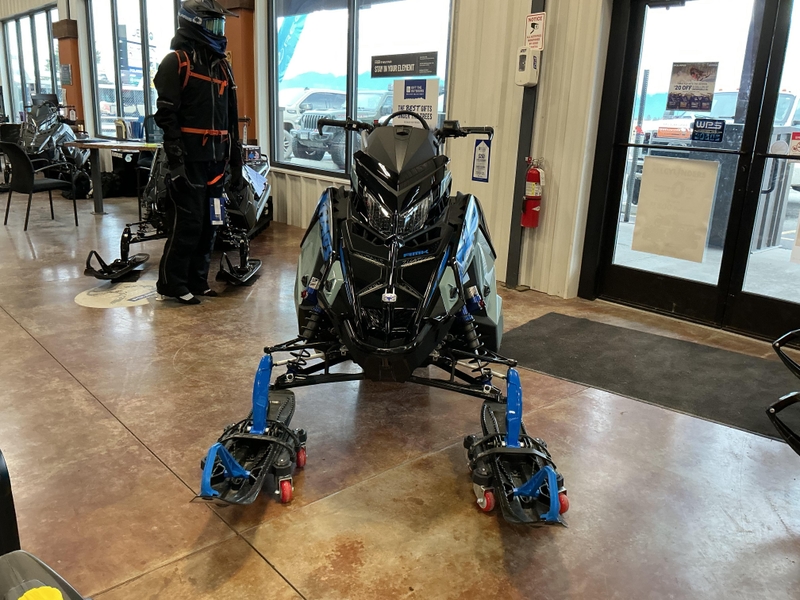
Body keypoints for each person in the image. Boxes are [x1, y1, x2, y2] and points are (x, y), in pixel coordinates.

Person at [153, 0, 244, 305]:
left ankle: (198, 280)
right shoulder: (176, 62)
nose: (219, 31)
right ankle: (173, 284)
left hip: (216, 164)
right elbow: (166, 117)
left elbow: (231, 120)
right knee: (188, 224)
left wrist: (236, 164)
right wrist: (176, 161)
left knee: (212, 222)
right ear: (194, 23)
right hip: (189, 163)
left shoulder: (222, 67)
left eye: (221, 25)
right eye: (213, 24)